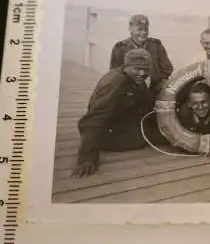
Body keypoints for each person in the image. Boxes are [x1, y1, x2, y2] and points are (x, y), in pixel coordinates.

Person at [72, 49, 168, 178]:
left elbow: (147, 105)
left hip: (125, 123)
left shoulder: (134, 79)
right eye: (137, 69)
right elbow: (92, 120)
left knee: (162, 127)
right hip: (110, 135)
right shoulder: (116, 83)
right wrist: (86, 158)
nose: (142, 73)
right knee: (165, 134)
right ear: (126, 66)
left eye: (146, 69)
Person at [109, 14, 174, 92]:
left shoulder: (156, 46)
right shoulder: (120, 48)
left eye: (146, 29)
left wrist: (153, 79)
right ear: (130, 29)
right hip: (129, 91)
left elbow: (167, 69)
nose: (143, 33)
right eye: (139, 29)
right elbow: (114, 74)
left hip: (154, 90)